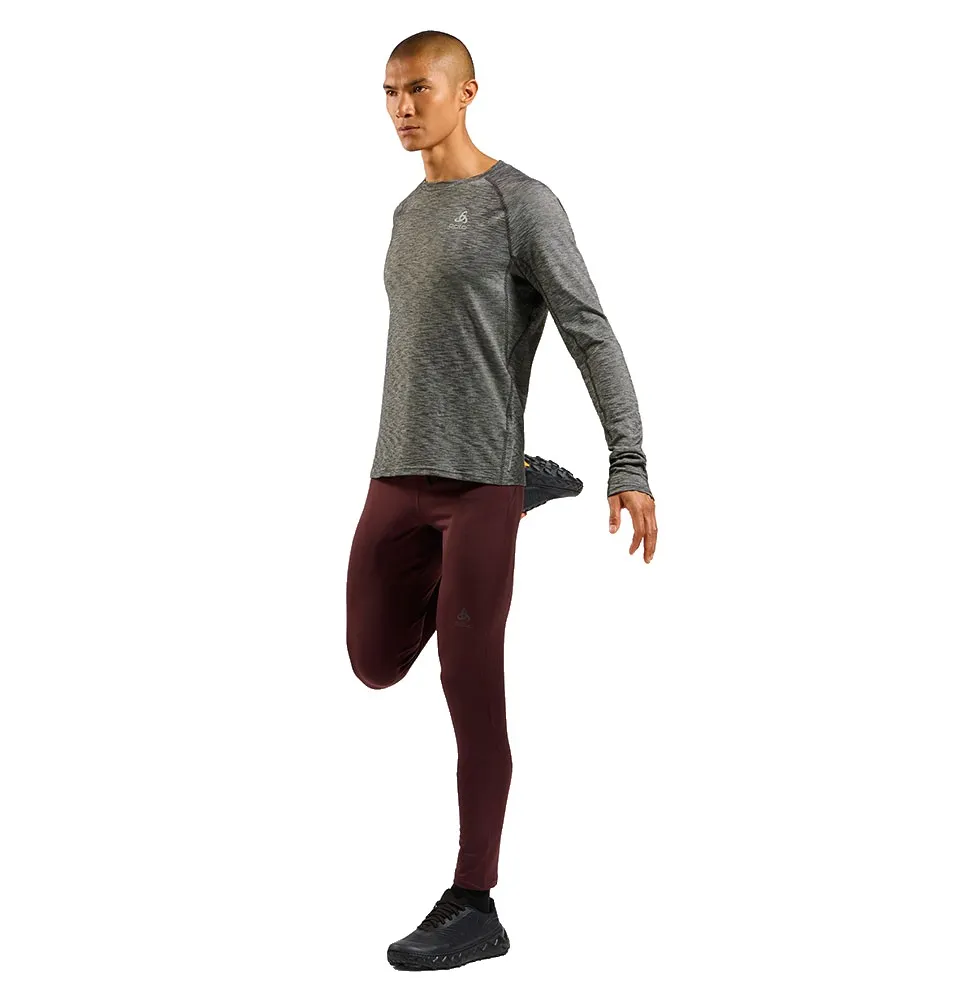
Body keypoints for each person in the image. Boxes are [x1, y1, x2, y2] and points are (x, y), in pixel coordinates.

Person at [345, 30, 658, 971]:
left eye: (420, 88)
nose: (404, 108)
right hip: (397, 471)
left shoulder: (521, 204)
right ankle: (529, 492)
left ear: (467, 92)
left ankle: (475, 901)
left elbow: (589, 330)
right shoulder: (406, 214)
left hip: (480, 477)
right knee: (372, 663)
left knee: (469, 684)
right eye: (389, 92)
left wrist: (628, 461)